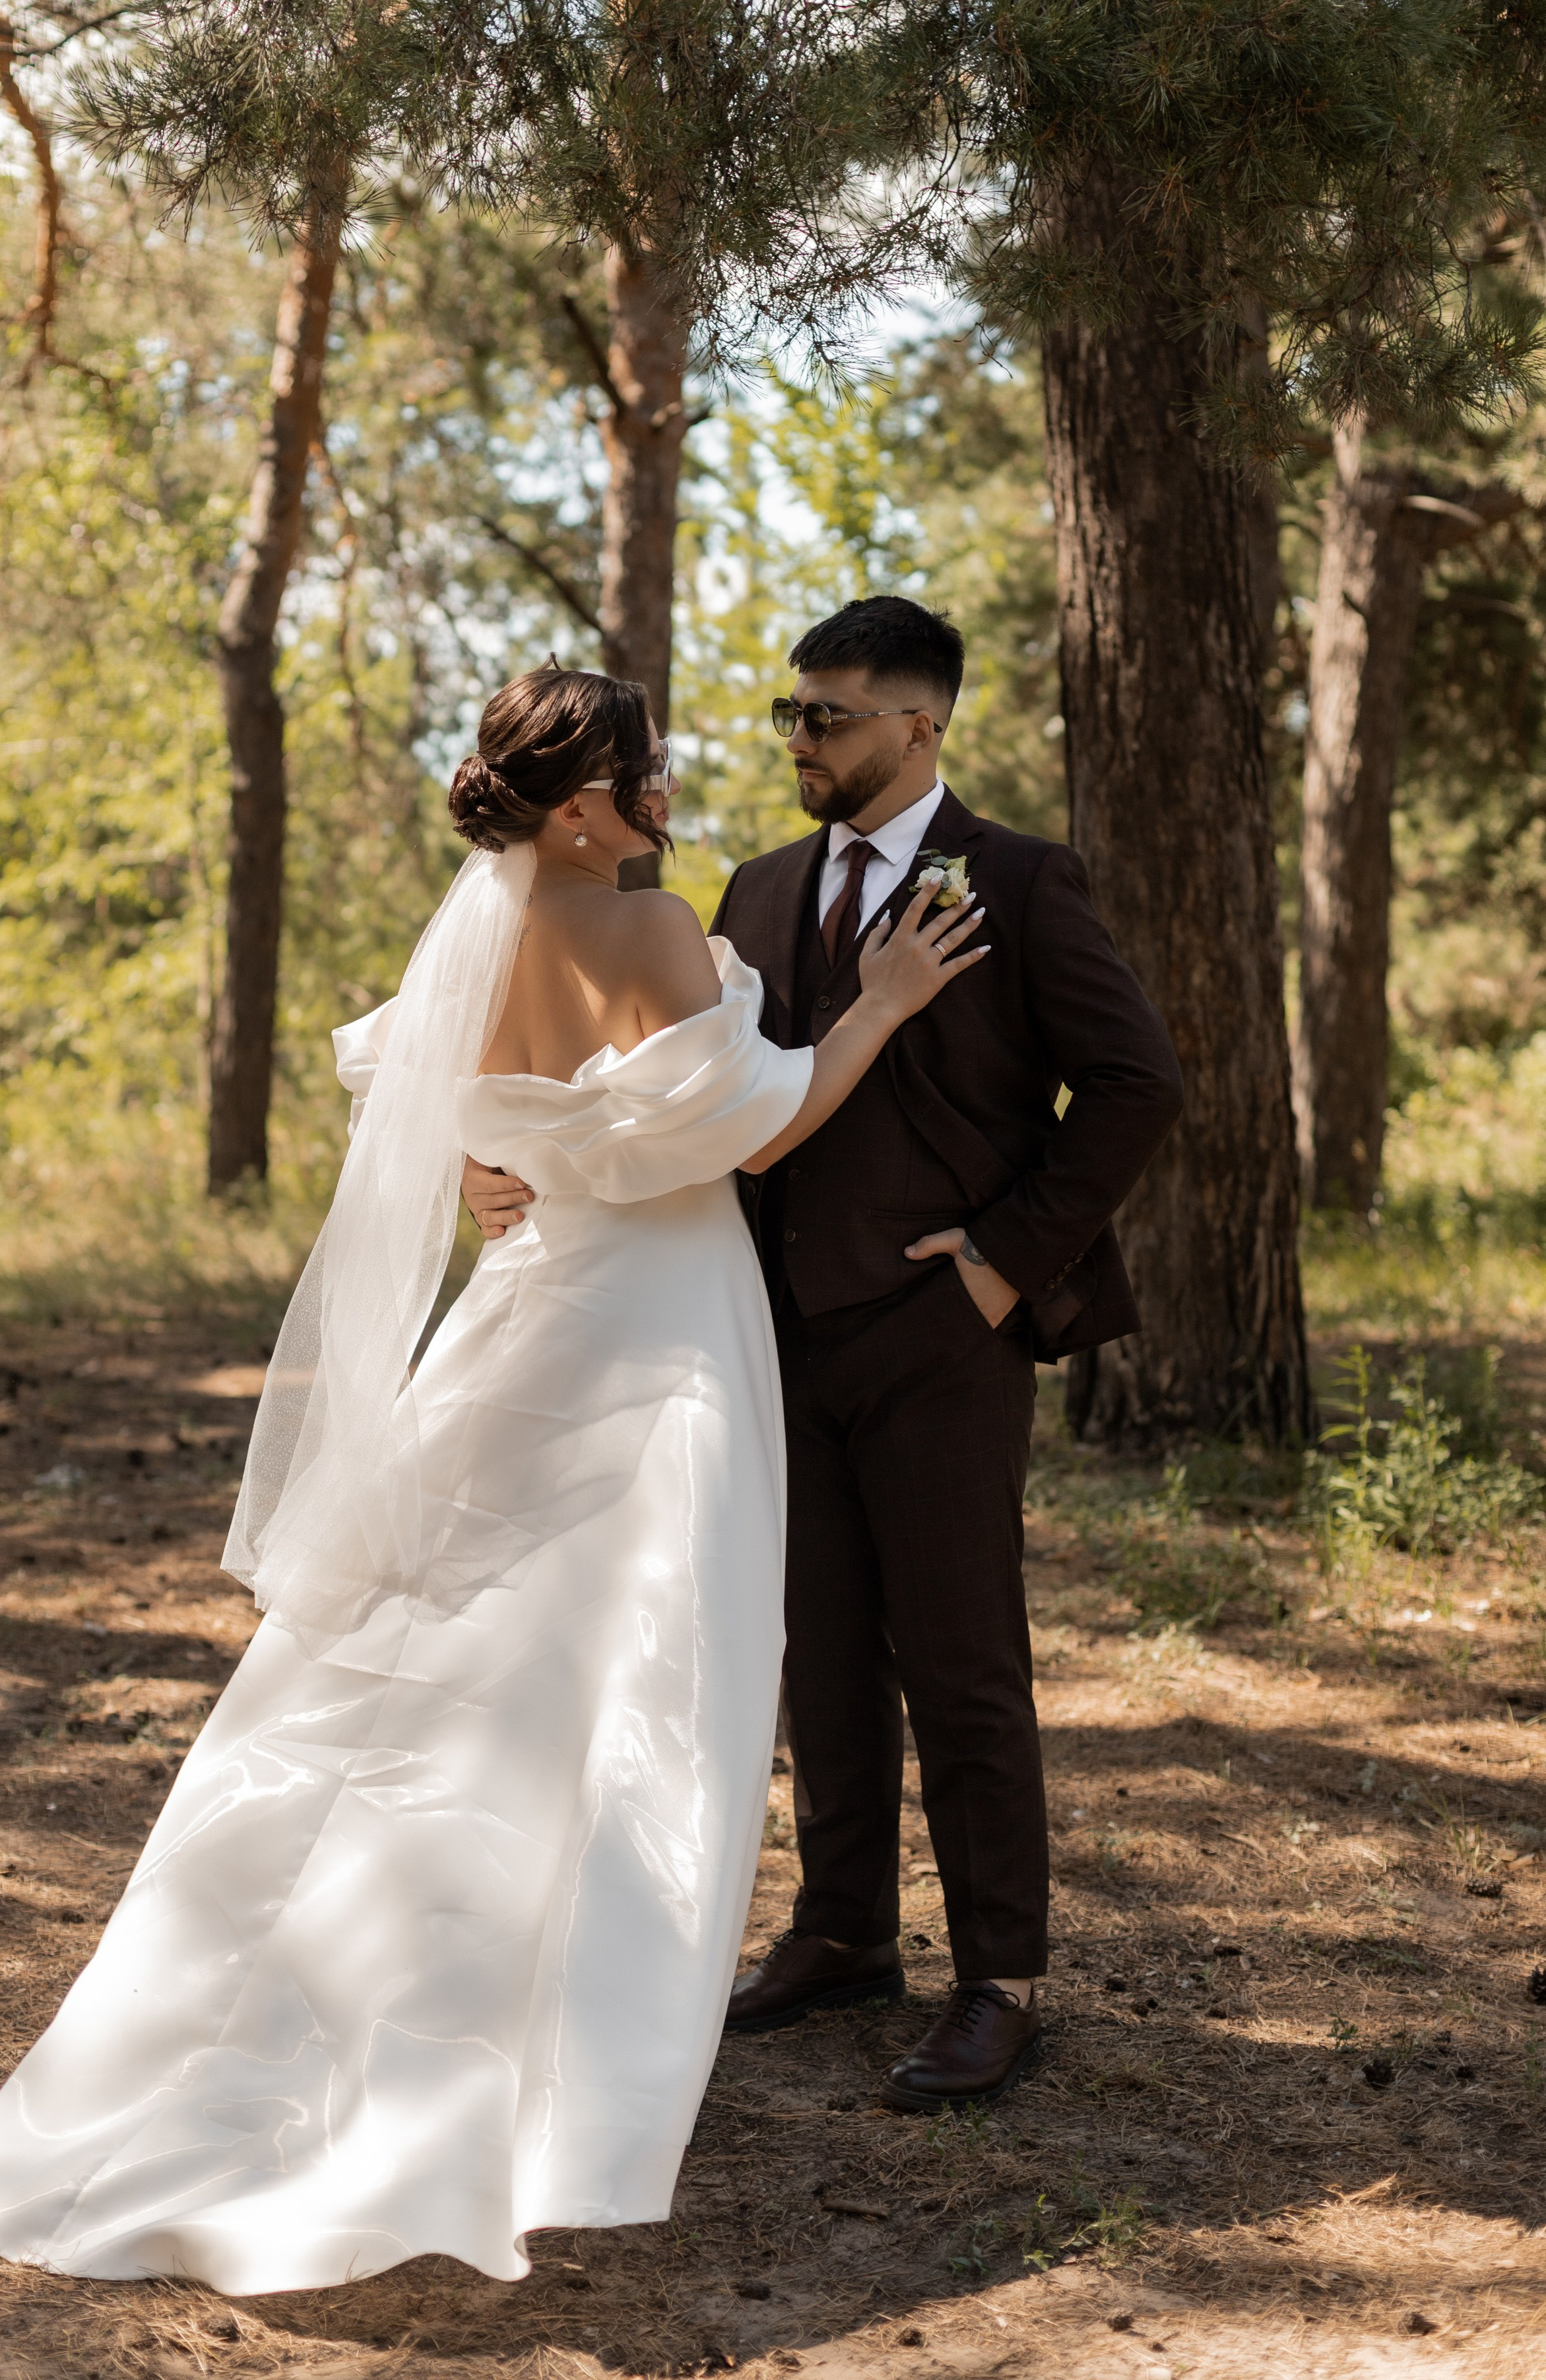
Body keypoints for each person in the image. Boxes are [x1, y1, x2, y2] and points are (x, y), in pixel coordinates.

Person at [0, 664, 986, 2296]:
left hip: (519, 1321)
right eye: (639, 768)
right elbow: (755, 1128)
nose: (664, 783)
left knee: (422, 1670)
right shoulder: (639, 926)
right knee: (621, 1687)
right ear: (578, 809)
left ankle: (295, 2000)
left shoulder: (477, 942)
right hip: (657, 1337)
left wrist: (506, 1161)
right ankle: (539, 2054)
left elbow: (425, 1106)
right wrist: (882, 1003)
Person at [466, 601, 1183, 2113]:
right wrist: (529, 1162)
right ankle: (843, 1929)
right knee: (818, 1654)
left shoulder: (1019, 881)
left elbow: (1133, 1085)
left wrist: (1000, 1261)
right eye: (792, 712)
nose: (797, 737)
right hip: (770, 1330)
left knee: (962, 1660)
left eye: (829, 716)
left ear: (916, 730)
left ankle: (1001, 1977)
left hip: (941, 1337)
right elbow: (692, 1099)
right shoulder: (756, 886)